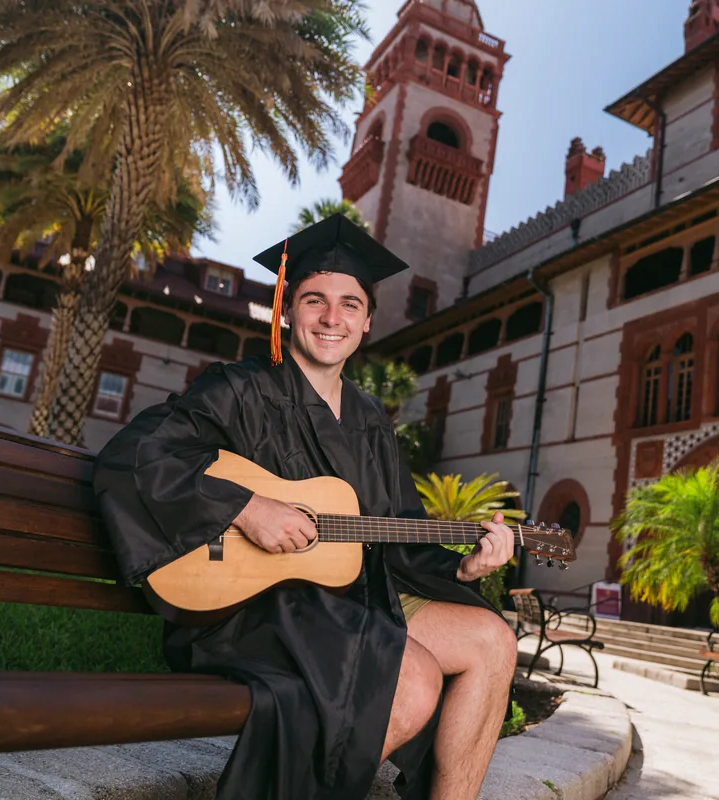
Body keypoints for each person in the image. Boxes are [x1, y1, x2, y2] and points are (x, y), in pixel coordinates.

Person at [92, 214, 518, 800]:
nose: (331, 317)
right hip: (253, 605)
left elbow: (404, 533)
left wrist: (461, 568)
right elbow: (136, 454)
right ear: (287, 310)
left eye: (349, 304)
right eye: (314, 299)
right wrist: (244, 508)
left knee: (493, 642)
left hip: (351, 602)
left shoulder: (372, 421)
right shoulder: (240, 388)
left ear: (368, 322)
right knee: (409, 677)